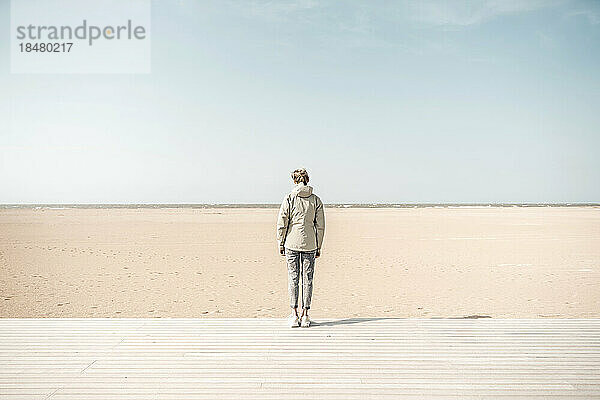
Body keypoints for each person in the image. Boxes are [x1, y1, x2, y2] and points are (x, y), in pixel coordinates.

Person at [276, 168, 325, 328]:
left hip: (291, 242)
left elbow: (282, 222)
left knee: (293, 278)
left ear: (295, 181)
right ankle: (305, 314)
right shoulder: (316, 200)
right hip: (310, 243)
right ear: (307, 180)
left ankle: (294, 314)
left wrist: (280, 242)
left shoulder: (289, 198)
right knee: (308, 279)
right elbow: (320, 226)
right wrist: (318, 245)